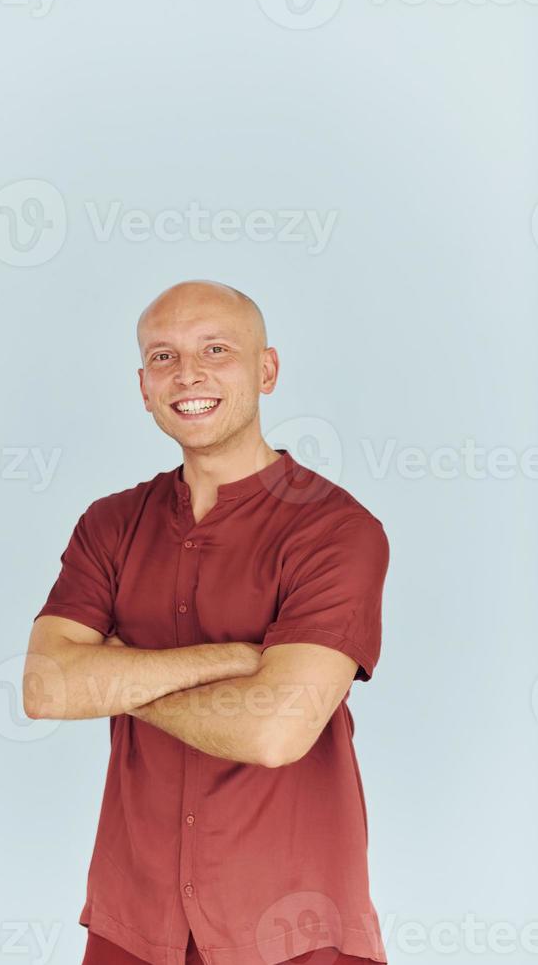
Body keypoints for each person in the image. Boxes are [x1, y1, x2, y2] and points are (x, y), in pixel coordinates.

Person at [23, 280, 391, 965]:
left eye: (216, 350)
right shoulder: (110, 524)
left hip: (293, 927)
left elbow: (275, 729)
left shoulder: (337, 531)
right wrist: (233, 659)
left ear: (267, 369)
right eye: (163, 357)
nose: (187, 374)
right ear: (142, 386)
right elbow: (47, 688)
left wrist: (115, 672)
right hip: (134, 924)